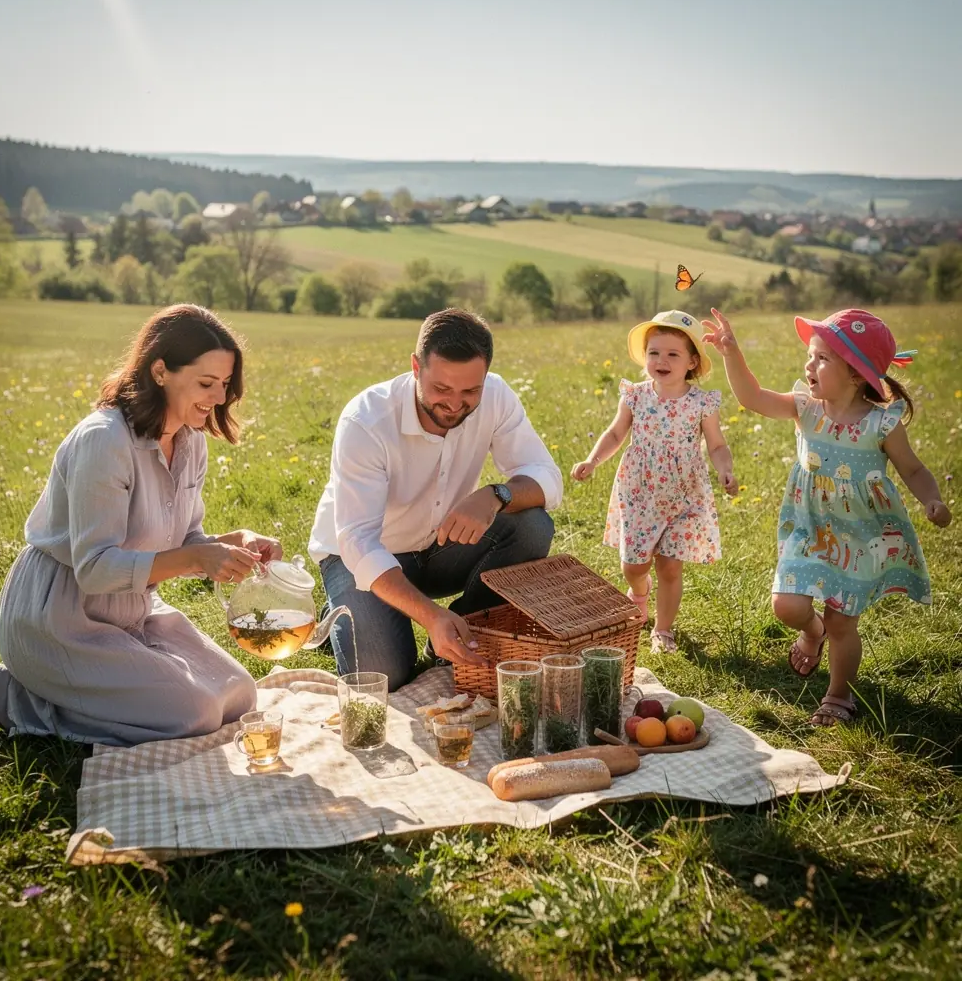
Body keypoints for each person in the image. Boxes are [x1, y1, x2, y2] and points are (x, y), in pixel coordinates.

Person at [0, 305, 280, 745]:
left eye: (224, 385)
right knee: (195, 714)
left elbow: (184, 542)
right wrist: (197, 556)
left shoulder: (190, 441)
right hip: (60, 616)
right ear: (160, 371)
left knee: (239, 694)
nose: (219, 398)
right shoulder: (104, 440)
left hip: (134, 610)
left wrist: (231, 543)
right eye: (206, 383)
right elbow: (95, 568)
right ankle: (15, 698)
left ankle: (97, 687)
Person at [702, 307, 951, 726]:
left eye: (822, 358)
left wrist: (932, 499)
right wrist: (731, 352)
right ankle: (809, 632)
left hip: (860, 536)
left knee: (841, 622)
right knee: (786, 605)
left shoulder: (881, 424)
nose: (809, 364)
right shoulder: (806, 407)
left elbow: (913, 469)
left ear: (856, 375)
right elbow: (753, 397)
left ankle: (838, 696)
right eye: (811, 355)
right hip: (810, 527)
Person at [308, 308, 562, 690]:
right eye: (441, 389)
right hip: (363, 557)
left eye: (469, 391)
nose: (455, 404)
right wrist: (430, 614)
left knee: (532, 525)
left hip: (441, 546)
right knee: (385, 676)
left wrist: (497, 494)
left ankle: (454, 636)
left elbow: (548, 477)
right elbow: (358, 541)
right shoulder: (366, 421)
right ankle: (338, 617)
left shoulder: (496, 396)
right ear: (415, 366)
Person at [571, 310, 737, 653]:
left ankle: (663, 630)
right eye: (654, 353)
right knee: (634, 565)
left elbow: (717, 444)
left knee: (671, 566)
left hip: (684, 494)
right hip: (641, 490)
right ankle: (639, 590)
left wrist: (725, 470)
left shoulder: (702, 403)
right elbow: (616, 432)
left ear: (692, 361)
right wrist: (593, 459)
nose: (661, 360)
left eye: (672, 354)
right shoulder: (636, 395)